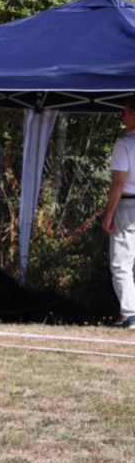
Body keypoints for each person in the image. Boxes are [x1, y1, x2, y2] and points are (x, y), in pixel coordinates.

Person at [102, 96, 135, 328]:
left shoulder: (125, 144)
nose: (123, 118)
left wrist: (108, 214)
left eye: (124, 113)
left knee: (122, 261)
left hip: (129, 205)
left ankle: (130, 313)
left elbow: (118, 182)